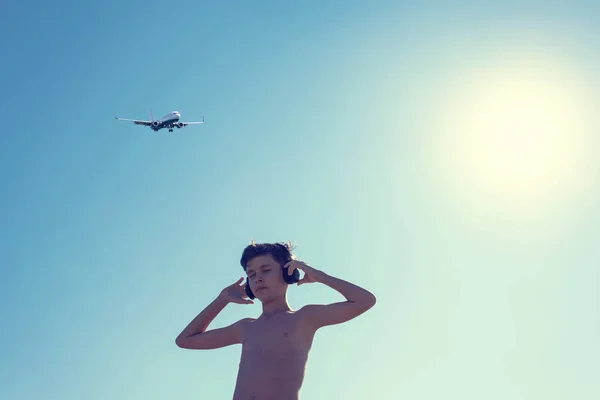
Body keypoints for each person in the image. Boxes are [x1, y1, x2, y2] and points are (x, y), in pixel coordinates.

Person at [175, 241, 376, 399]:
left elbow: (365, 300)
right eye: (251, 274)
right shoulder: (246, 327)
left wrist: (320, 276)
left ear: (289, 274)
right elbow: (185, 340)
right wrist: (221, 300)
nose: (257, 278)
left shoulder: (303, 318)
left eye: (266, 270)